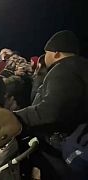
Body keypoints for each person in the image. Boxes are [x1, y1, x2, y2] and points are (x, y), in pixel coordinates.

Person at [15, 30, 88, 179]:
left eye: (46, 52)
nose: (45, 57)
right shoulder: (81, 67)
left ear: (56, 53)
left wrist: (14, 117)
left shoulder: (63, 70)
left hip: (64, 152)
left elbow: (51, 111)